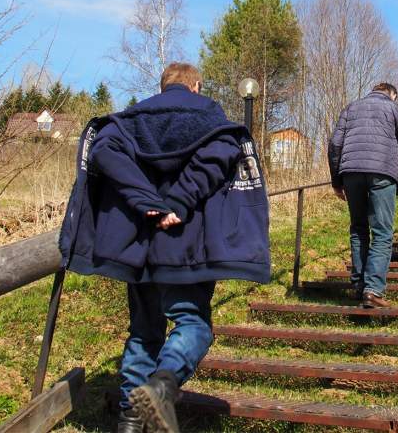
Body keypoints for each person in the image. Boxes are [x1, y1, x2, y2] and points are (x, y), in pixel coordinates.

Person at [58, 63, 270, 433]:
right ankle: (162, 385)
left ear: (163, 87)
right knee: (193, 324)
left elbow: (104, 150)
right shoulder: (208, 114)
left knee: (144, 331)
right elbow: (221, 151)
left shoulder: (131, 119)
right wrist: (177, 203)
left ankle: (130, 418)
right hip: (186, 246)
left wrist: (147, 202)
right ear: (196, 86)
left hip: (139, 246)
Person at [328, 82, 398, 309]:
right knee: (382, 231)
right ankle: (372, 290)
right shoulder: (395, 109)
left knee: (358, 228)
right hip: (383, 172)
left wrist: (336, 181)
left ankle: (359, 286)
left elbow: (334, 145)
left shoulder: (351, 108)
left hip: (351, 173)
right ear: (392, 94)